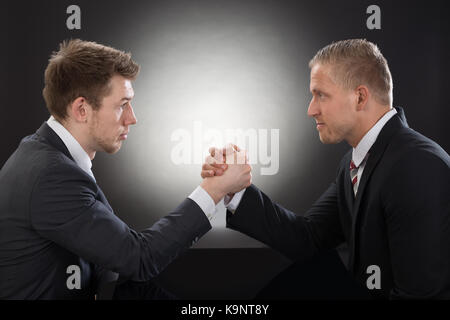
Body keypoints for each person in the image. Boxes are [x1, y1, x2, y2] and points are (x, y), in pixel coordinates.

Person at [0, 39, 252, 299]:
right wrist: (214, 189)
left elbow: (114, 266)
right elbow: (139, 259)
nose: (132, 118)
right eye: (122, 104)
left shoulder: (47, 156)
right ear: (81, 109)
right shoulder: (51, 176)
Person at [202, 39, 450, 299]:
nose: (311, 109)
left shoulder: (417, 166)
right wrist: (234, 189)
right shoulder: (354, 163)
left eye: (321, 95)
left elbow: (422, 296)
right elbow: (308, 238)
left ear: (360, 97)